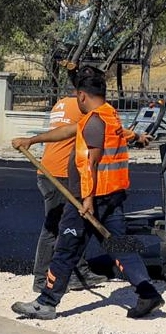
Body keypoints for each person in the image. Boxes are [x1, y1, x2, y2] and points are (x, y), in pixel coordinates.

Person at [10, 66, 164, 320]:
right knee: (120, 245)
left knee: (65, 248)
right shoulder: (108, 115)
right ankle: (148, 293)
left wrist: (88, 200)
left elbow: (90, 163)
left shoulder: (93, 122)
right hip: (112, 196)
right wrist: (33, 141)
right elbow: (68, 131)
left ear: (81, 96)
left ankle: (46, 303)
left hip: (87, 197)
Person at [31, 87, 109, 294]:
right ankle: (41, 278)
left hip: (51, 171)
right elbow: (100, 128)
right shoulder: (82, 107)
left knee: (73, 224)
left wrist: (32, 140)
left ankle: (77, 272)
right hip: (59, 175)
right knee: (54, 228)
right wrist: (133, 135)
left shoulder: (62, 103)